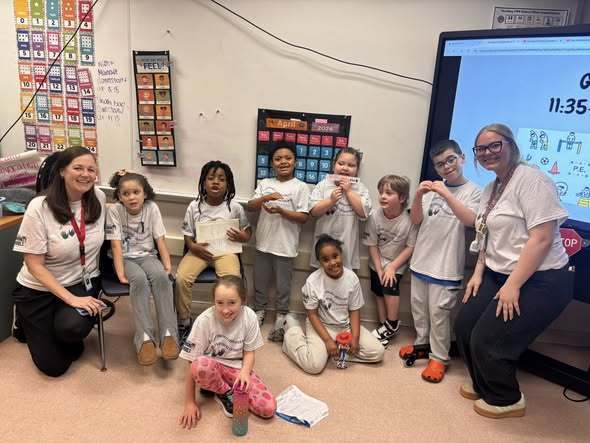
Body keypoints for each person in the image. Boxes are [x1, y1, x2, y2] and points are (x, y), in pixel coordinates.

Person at [455, 123, 574, 418]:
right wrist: (479, 271)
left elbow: (542, 238)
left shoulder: (532, 180)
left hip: (541, 279)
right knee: (464, 326)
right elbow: (484, 232)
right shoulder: (491, 188)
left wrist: (513, 285)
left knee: (488, 339)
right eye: (481, 149)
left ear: (511, 145)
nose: (487, 153)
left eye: (495, 145)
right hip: (498, 272)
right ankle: (483, 381)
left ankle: (506, 398)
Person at [12, 147, 107, 377]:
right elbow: (34, 265)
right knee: (53, 367)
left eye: (91, 169)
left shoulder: (100, 199)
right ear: (62, 171)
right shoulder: (40, 207)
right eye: (78, 168)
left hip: (80, 281)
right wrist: (72, 300)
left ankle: (57, 327)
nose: (85, 174)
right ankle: (23, 321)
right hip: (39, 289)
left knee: (71, 330)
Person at [400, 140, 480, 383]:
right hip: (421, 262)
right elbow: (415, 220)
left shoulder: (474, 191)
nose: (446, 167)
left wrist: (445, 193)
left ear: (462, 158)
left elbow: (470, 220)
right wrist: (419, 196)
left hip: (446, 268)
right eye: (440, 164)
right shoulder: (431, 190)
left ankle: (439, 358)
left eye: (451, 160)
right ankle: (422, 344)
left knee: (439, 315)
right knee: (419, 312)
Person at [178, 276, 276, 428]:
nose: (225, 310)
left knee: (268, 408)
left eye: (232, 303)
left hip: (237, 368)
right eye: (219, 303)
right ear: (213, 301)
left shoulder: (249, 316)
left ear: (242, 300)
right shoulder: (204, 320)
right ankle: (223, 392)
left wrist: (245, 372)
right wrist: (190, 402)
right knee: (199, 365)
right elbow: (191, 361)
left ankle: (216, 388)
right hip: (212, 366)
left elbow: (249, 353)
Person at [282, 234, 384, 374]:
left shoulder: (352, 278)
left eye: (335, 256)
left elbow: (354, 311)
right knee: (314, 366)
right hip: (320, 326)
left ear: (341, 255)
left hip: (344, 327)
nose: (332, 263)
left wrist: (355, 338)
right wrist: (328, 340)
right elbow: (312, 315)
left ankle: (335, 352)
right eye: (325, 260)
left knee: (378, 353)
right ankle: (291, 329)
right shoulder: (312, 281)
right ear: (320, 262)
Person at [106, 171, 179, 365]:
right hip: (125, 260)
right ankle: (145, 338)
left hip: (147, 256)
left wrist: (167, 265)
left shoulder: (152, 208)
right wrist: (120, 272)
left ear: (145, 193)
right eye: (126, 194)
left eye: (136, 192)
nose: (131, 197)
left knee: (162, 278)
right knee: (138, 279)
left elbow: (160, 239)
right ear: (119, 197)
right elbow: (115, 245)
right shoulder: (114, 211)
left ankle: (168, 334)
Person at [175, 161, 251, 341]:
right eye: (210, 178)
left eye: (221, 179)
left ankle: (229, 320)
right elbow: (187, 234)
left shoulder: (235, 207)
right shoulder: (194, 206)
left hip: (226, 251)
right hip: (199, 250)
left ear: (228, 184)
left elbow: (248, 231)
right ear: (203, 182)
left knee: (233, 281)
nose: (215, 182)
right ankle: (184, 321)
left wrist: (243, 236)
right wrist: (192, 246)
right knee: (181, 279)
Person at [246, 144, 310, 341]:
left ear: (295, 162)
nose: (283, 162)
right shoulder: (265, 183)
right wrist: (266, 197)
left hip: (286, 245)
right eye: (278, 158)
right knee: (260, 281)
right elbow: (250, 206)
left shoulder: (301, 187)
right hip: (263, 242)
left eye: (288, 158)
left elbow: (303, 217)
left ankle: (281, 315)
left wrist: (282, 211)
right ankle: (259, 310)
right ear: (272, 163)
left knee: (284, 285)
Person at [362, 175, 417, 346]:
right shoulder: (374, 216)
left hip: (397, 263)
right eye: (380, 192)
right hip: (377, 261)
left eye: (388, 193)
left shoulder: (410, 220)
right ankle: (383, 326)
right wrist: (379, 270)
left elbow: (410, 247)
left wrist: (392, 267)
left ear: (402, 198)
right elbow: (372, 245)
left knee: (388, 287)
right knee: (379, 293)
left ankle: (392, 324)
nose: (382, 196)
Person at [309, 147, 371, 270]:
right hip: (323, 248)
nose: (345, 168)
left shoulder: (361, 188)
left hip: (347, 248)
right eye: (341, 163)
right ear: (334, 165)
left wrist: (348, 191)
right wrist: (330, 201)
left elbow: (364, 214)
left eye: (351, 165)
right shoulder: (323, 185)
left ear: (357, 170)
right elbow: (314, 212)